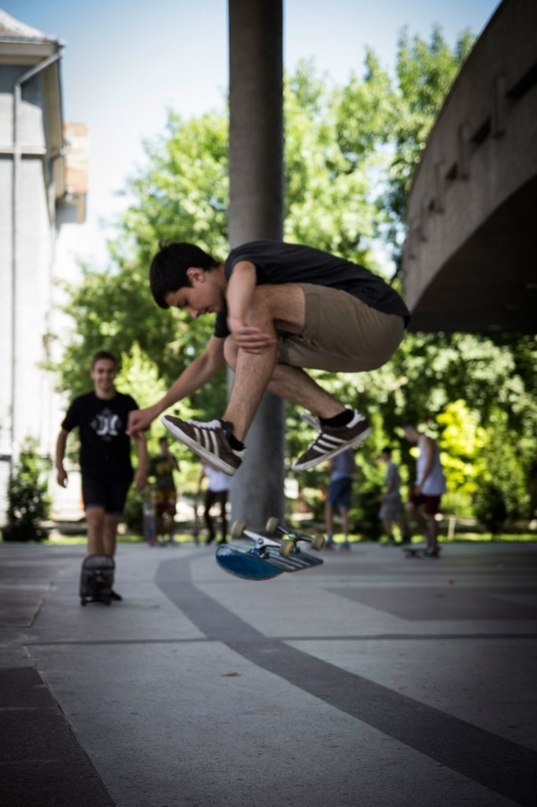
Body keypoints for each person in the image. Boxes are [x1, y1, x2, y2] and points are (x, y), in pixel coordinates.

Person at [127, 241, 410, 474]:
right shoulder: (232, 310)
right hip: (358, 349)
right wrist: (155, 409)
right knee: (232, 349)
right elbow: (207, 362)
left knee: (253, 301)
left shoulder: (240, 260)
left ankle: (228, 436)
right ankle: (340, 421)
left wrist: (238, 316)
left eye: (185, 303)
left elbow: (244, 272)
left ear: (196, 275)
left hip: (378, 316)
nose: (193, 314)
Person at [55, 351, 147, 599]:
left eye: (109, 371)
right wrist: (59, 465)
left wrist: (142, 470)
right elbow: (63, 433)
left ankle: (105, 581)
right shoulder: (81, 404)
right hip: (92, 472)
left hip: (120, 473)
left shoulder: (127, 403)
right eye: (100, 371)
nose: (105, 376)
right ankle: (93, 578)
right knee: (95, 521)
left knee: (110, 527)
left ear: (115, 373)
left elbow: (140, 439)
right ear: (93, 374)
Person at [402, 424, 446, 556]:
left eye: (406, 434)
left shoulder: (426, 440)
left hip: (432, 485)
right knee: (410, 507)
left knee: (431, 515)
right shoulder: (421, 443)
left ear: (410, 430)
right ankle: (428, 535)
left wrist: (421, 483)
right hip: (422, 484)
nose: (406, 438)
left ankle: (433, 547)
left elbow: (430, 462)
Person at [148, 436, 179, 543]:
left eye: (167, 444)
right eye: (163, 444)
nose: (165, 446)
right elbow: (149, 473)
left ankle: (171, 536)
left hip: (171, 488)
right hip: (159, 489)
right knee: (159, 513)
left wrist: (170, 458)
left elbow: (177, 469)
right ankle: (160, 536)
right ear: (160, 445)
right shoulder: (155, 459)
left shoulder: (172, 457)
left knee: (172, 513)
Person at [325, 449, 356, 549]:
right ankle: (346, 540)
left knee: (329, 507)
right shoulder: (349, 450)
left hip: (337, 479)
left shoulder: (335, 448)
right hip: (348, 479)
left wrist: (327, 468)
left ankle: (330, 538)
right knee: (344, 510)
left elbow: (332, 466)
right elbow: (354, 468)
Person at [378, 447, 408, 544]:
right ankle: (405, 537)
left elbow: (391, 482)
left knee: (385, 516)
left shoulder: (391, 466)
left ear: (386, 454)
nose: (381, 457)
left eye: (382, 454)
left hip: (391, 495)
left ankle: (390, 537)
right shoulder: (393, 465)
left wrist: (385, 495)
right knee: (397, 517)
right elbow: (399, 480)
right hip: (396, 494)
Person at [199, 463, 230, 544]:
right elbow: (202, 474)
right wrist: (198, 488)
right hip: (212, 487)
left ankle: (224, 537)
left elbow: (219, 468)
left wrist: (211, 464)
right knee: (205, 512)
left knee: (223, 513)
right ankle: (212, 533)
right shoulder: (205, 463)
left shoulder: (217, 460)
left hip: (223, 487)